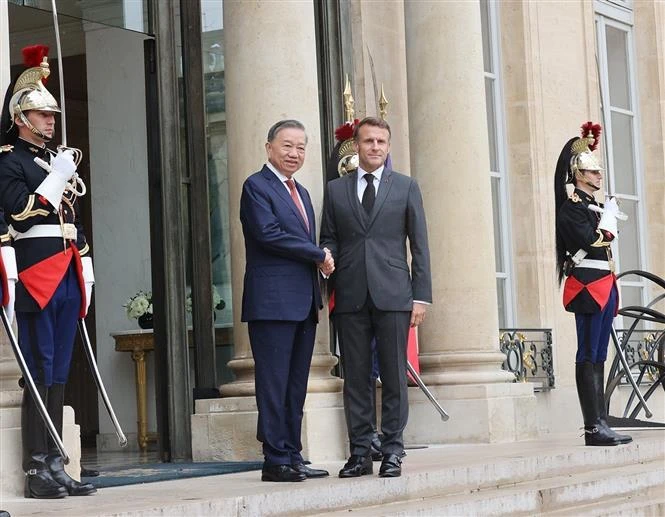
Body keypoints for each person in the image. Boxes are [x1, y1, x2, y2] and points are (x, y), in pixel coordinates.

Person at [0, 46, 96, 498]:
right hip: (37, 269)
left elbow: (73, 220)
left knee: (60, 370)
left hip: (67, 267)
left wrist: (87, 267)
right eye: (41, 115)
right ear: (21, 117)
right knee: (38, 368)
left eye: (52, 115)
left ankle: (56, 460)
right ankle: (37, 469)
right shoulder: (9, 159)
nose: (50, 121)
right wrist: (55, 178)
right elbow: (19, 212)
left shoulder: (55, 156)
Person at [320, 116, 432, 478]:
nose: (375, 148)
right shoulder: (336, 190)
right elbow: (329, 236)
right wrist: (327, 256)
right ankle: (359, 452)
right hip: (350, 295)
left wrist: (421, 297)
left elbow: (420, 246)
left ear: (388, 146)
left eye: (381, 142)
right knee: (355, 377)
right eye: (369, 141)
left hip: (394, 295)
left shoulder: (405, 187)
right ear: (357, 144)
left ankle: (394, 450)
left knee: (394, 375)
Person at [240, 119, 333, 482]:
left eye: (301, 147)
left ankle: (293, 453)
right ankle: (274, 458)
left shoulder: (304, 193)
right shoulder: (256, 186)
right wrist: (317, 253)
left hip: (304, 301)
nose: (295, 154)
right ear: (269, 148)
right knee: (274, 382)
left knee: (296, 383)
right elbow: (268, 234)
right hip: (272, 302)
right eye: (287, 146)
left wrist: (320, 260)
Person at [554, 121, 632, 447]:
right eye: (594, 172)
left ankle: (601, 420)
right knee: (587, 353)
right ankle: (591, 427)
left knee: (600, 353)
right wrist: (609, 220)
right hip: (587, 284)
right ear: (579, 175)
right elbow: (594, 239)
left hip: (603, 282)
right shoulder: (573, 208)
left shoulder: (592, 207)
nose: (599, 176)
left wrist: (605, 212)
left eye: (598, 172)